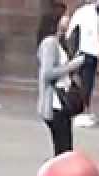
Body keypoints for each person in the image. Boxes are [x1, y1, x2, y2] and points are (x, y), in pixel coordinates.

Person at [37, 3, 84, 156]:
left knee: (65, 148)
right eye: (65, 16)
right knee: (63, 148)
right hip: (55, 103)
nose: (68, 19)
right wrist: (73, 65)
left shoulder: (60, 41)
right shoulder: (49, 43)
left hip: (62, 102)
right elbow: (47, 73)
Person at [66, 0, 99, 128]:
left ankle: (79, 110)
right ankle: (81, 112)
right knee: (86, 84)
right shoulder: (91, 13)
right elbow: (93, 38)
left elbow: (70, 33)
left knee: (82, 83)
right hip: (87, 53)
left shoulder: (81, 12)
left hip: (82, 53)